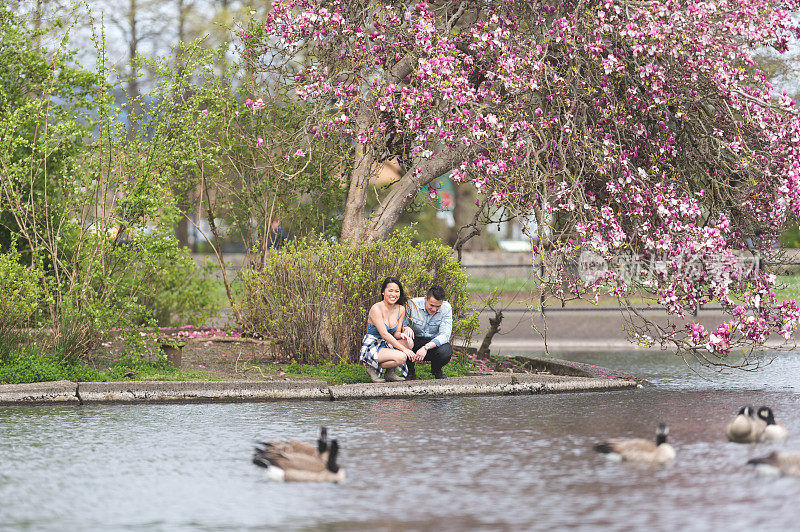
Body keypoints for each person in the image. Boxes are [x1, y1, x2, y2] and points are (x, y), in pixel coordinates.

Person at [359, 277, 415, 383]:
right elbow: (384, 334)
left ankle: (390, 373)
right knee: (402, 357)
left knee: (409, 343)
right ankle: (370, 366)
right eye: (390, 290)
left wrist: (403, 335)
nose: (393, 294)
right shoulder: (376, 308)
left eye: (397, 291)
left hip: (386, 343)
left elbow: (396, 333)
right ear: (383, 292)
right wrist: (404, 350)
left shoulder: (401, 309)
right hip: (373, 345)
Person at [404, 285, 452, 379]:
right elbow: (399, 326)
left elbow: (445, 335)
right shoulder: (412, 304)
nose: (434, 309)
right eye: (431, 305)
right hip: (414, 341)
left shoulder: (446, 308)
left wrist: (426, 348)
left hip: (432, 343)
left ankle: (436, 369)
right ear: (425, 299)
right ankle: (410, 371)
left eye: (438, 306)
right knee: (403, 341)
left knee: (446, 350)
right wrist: (405, 328)